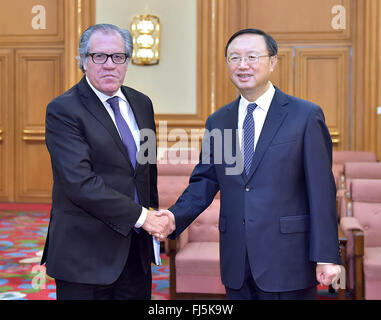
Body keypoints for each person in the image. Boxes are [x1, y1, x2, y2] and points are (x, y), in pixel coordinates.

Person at [160, 28, 342, 300]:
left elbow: (321, 191)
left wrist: (326, 255)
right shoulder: (218, 121)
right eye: (234, 58)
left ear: (272, 62)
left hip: (288, 260)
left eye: (252, 56)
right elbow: (205, 183)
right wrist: (173, 216)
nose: (242, 65)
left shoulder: (305, 115)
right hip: (237, 261)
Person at [40, 23, 173, 300]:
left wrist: (152, 221)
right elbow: (79, 183)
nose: (109, 65)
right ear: (83, 61)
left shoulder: (142, 103)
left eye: (118, 56)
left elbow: (146, 171)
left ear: (128, 60)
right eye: (99, 56)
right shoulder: (63, 109)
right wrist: (143, 217)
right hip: (85, 256)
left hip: (135, 253)